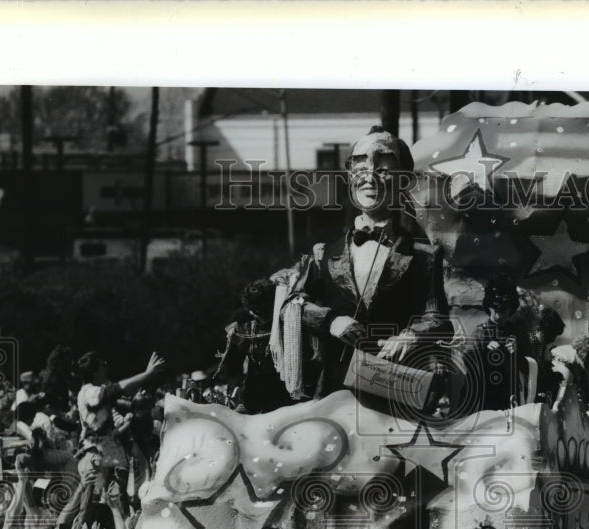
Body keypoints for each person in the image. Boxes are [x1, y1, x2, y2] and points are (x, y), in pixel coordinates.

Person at [276, 127, 451, 406]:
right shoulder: (323, 254)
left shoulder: (425, 256)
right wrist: (332, 320)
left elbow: (438, 319)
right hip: (334, 391)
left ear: (402, 180)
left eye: (382, 169)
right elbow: (290, 305)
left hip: (394, 389)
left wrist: (410, 336)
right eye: (360, 167)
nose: (369, 177)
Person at [75, 350, 166, 486]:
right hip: (96, 460)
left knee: (111, 502)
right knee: (87, 504)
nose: (106, 367)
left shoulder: (96, 394)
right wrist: (147, 374)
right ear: (95, 371)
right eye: (103, 365)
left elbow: (124, 402)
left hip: (106, 460)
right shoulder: (90, 392)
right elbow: (117, 390)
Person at [214, 278, 300, 413]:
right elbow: (231, 367)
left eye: (265, 311)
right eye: (257, 311)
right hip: (253, 397)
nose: (262, 317)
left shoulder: (289, 322)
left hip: (285, 396)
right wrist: (232, 343)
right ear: (251, 311)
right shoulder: (246, 327)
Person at [461, 275, 530, 412]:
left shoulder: (519, 333)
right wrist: (483, 349)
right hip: (484, 400)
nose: (499, 312)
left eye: (504, 309)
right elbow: (467, 360)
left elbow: (530, 368)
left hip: (511, 400)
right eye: (496, 308)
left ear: (511, 308)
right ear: (489, 306)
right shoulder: (480, 332)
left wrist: (516, 353)